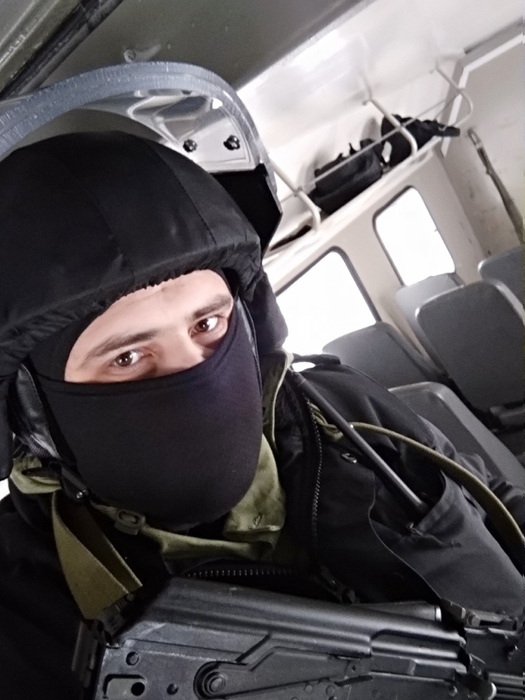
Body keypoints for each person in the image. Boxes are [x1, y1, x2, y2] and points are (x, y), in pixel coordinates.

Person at [0, 131, 523, 700]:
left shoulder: (346, 412)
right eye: (127, 357)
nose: (196, 374)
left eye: (208, 324)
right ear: (34, 411)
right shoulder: (23, 613)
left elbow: (494, 502)